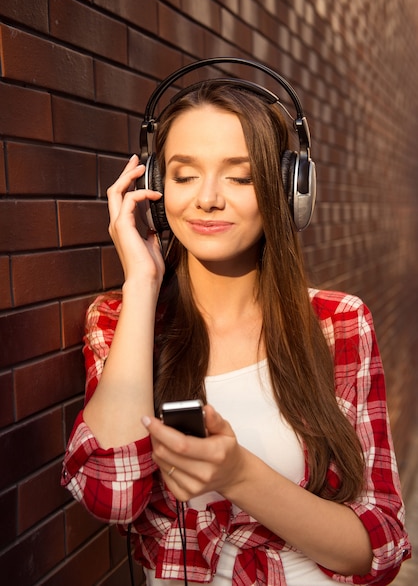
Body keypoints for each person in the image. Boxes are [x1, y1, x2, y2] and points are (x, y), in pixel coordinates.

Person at [62, 62, 411, 585]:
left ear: (288, 191)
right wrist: (140, 284)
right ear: (156, 187)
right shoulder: (120, 322)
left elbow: (377, 550)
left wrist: (238, 475)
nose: (207, 198)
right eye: (183, 175)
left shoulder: (338, 322)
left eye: (240, 175)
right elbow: (111, 496)